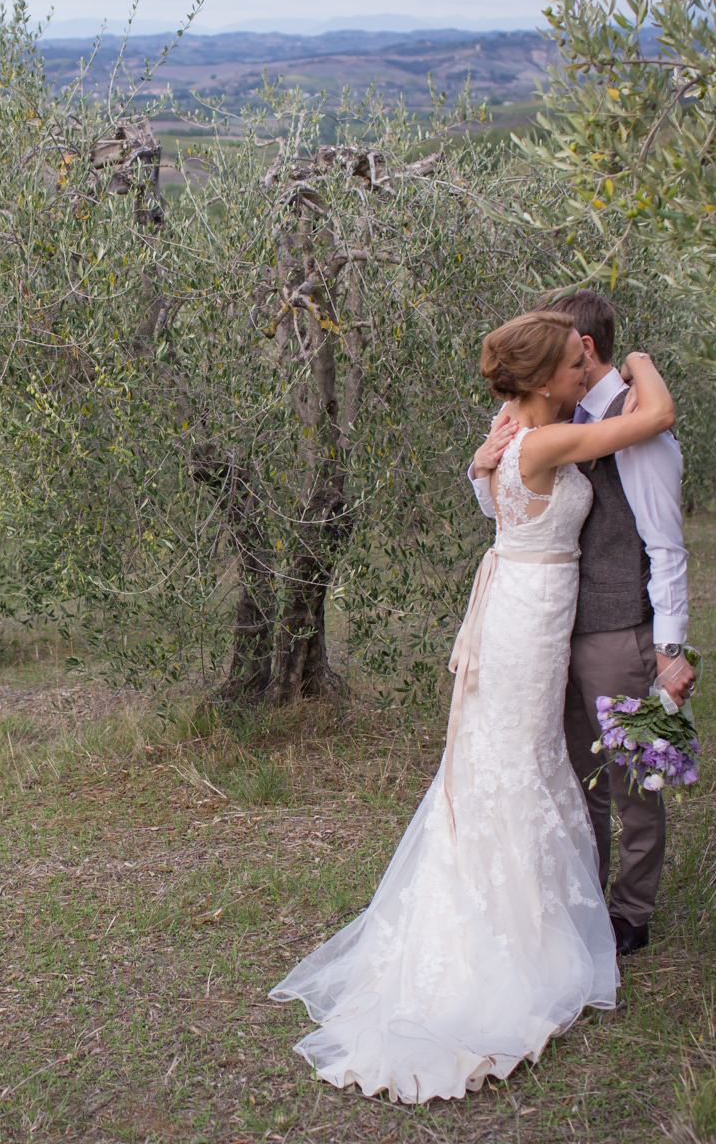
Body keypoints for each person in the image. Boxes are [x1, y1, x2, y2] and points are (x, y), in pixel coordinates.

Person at [270, 309, 678, 1103]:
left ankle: (627, 909)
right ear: (538, 379)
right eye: (571, 364)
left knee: (609, 769)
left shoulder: (529, 430)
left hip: (588, 622)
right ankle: (546, 925)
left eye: (585, 360)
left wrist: (676, 644)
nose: (582, 372)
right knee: (533, 763)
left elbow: (654, 532)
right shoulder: (545, 435)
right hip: (532, 620)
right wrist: (639, 355)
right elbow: (647, 415)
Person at [470, 291, 694, 957]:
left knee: (633, 775)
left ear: (584, 351)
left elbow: (666, 546)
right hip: (541, 632)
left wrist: (670, 647)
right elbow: (503, 503)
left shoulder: (637, 424)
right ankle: (582, 899)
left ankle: (632, 910)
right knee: (571, 775)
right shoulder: (543, 414)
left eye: (570, 351)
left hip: (617, 630)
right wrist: (481, 465)